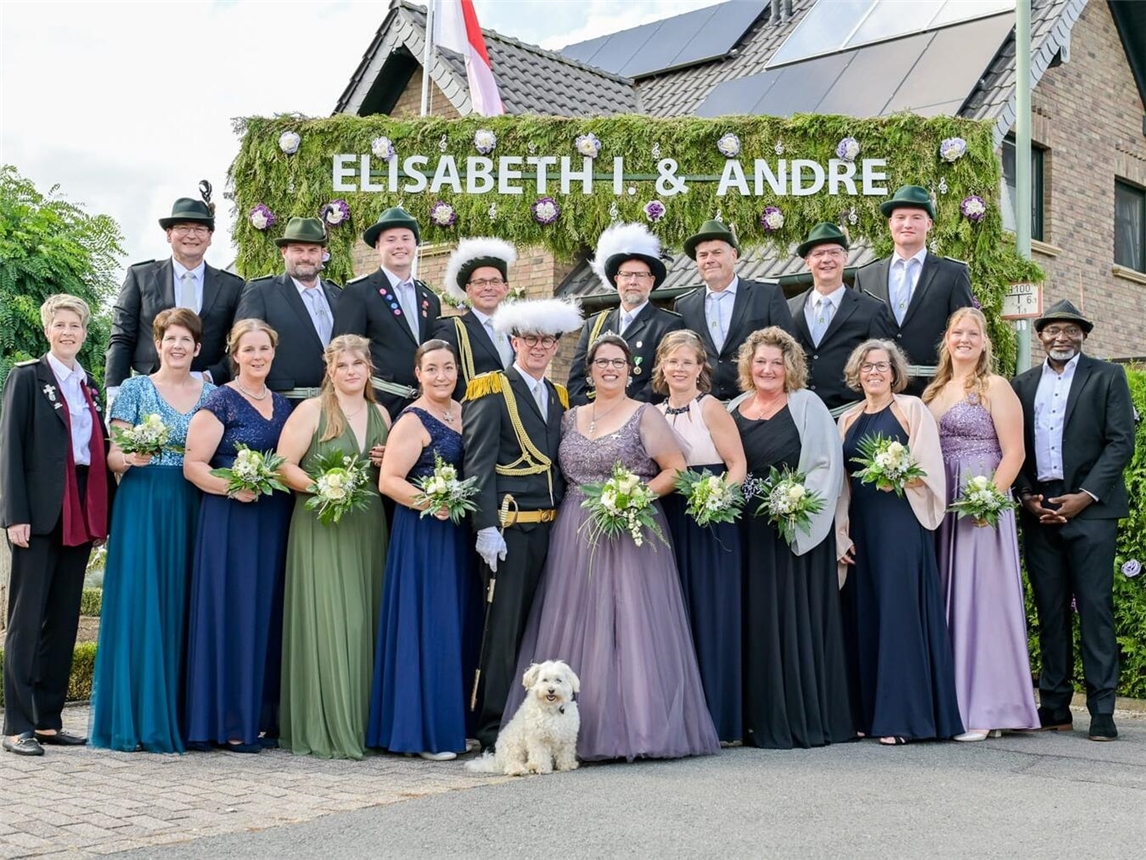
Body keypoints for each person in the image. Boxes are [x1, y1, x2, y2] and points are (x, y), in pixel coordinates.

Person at [508, 334, 720, 761]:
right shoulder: (570, 417)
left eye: (618, 362)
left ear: (630, 370)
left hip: (629, 528)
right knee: (577, 621)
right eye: (602, 362)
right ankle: (564, 735)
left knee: (631, 629)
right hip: (574, 530)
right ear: (589, 370)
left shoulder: (644, 415)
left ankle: (636, 730)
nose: (610, 368)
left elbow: (674, 470)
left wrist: (631, 498)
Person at [90, 308, 215, 753]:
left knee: (187, 601)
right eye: (169, 339)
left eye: (186, 339)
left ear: (198, 347)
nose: (177, 346)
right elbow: (113, 456)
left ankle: (187, 713)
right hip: (144, 501)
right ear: (157, 344)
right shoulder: (134, 389)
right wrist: (130, 457)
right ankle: (137, 716)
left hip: (194, 500)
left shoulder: (210, 390)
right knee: (143, 601)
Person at [462, 298, 583, 754]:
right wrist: (485, 526)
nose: (538, 347)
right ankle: (492, 726)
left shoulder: (560, 397)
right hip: (510, 529)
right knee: (503, 632)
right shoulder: (490, 388)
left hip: (551, 531)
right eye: (529, 338)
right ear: (514, 341)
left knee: (541, 632)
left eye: (546, 339)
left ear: (555, 346)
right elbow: (478, 463)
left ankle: (538, 725)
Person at [1011, 300, 1135, 741]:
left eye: (1071, 330)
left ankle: (1103, 710)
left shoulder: (1108, 377)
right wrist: (1026, 496)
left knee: (1096, 610)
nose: (1061, 337)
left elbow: (1121, 443)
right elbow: (1013, 446)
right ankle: (1055, 706)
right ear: (1041, 336)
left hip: (1092, 510)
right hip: (1040, 508)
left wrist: (1084, 497)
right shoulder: (1021, 384)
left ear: (1084, 334)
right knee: (1049, 611)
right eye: (1053, 330)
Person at [729, 327, 853, 749]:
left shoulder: (807, 405)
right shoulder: (733, 407)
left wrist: (793, 505)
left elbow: (825, 466)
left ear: (790, 368)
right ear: (748, 364)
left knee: (786, 621)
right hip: (744, 530)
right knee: (751, 620)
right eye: (760, 361)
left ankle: (795, 717)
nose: (767, 369)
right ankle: (749, 717)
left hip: (791, 527)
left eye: (776, 363)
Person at [836, 339, 963, 745]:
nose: (874, 373)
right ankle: (867, 714)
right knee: (865, 614)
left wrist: (894, 472)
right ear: (857, 375)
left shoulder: (911, 410)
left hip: (901, 525)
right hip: (862, 527)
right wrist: (841, 534)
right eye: (866, 367)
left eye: (881, 366)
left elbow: (929, 469)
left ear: (895, 373)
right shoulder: (848, 419)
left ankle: (903, 718)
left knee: (898, 615)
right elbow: (843, 485)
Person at [1, 295, 112, 756]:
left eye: (76, 326)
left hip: (80, 506)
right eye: (60, 324)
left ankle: (48, 719)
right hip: (40, 511)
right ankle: (17, 725)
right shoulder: (27, 377)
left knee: (64, 618)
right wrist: (14, 516)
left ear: (85, 332)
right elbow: (10, 448)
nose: (68, 332)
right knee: (26, 620)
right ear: (47, 329)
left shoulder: (88, 385)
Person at [922, 308, 1038, 741]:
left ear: (985, 342)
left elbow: (1015, 453)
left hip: (979, 500)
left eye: (973, 333)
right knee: (949, 597)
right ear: (946, 340)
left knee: (981, 599)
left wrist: (988, 498)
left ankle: (988, 708)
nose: (965, 339)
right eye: (957, 332)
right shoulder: (934, 389)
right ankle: (955, 703)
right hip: (942, 500)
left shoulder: (995, 387)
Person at [276, 335, 391, 759]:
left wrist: (385, 460)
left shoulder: (381, 412)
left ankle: (365, 721)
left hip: (368, 524)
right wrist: (322, 487)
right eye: (341, 366)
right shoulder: (311, 411)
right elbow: (283, 465)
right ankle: (326, 722)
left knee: (366, 618)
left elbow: (395, 469)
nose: (350, 372)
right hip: (321, 523)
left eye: (357, 364)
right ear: (329, 370)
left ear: (368, 368)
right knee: (332, 620)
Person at [182, 319, 293, 753]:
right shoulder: (220, 402)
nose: (258, 356)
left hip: (272, 521)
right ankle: (227, 719)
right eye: (249, 350)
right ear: (234, 353)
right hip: (229, 522)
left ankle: (260, 716)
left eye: (264, 349)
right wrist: (233, 486)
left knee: (265, 612)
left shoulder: (282, 405)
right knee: (232, 612)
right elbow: (195, 466)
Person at [367, 340, 479, 761]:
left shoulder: (465, 412)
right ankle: (423, 732)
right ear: (418, 374)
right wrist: (432, 503)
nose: (441, 376)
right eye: (431, 369)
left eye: (448, 368)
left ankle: (451, 723)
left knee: (456, 622)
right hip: (423, 533)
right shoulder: (412, 420)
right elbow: (390, 481)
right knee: (430, 624)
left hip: (457, 533)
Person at [652, 330, 747, 743]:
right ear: (661, 367)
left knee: (713, 610)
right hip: (670, 514)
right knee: (677, 613)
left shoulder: (710, 407)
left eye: (687, 361)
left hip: (711, 515)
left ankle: (720, 718)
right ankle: (679, 716)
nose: (679, 368)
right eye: (672, 361)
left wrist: (717, 497)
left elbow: (737, 463)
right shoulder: (652, 412)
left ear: (700, 368)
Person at [105, 188, 244, 398]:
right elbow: (122, 336)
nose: (191, 235)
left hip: (210, 392)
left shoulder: (232, 285)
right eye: (183, 228)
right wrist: (115, 391)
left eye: (199, 228)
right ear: (169, 234)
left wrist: (209, 376)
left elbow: (240, 342)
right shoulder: (140, 276)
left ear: (210, 236)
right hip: (148, 390)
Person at [853, 185, 975, 396]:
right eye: (900, 217)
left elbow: (964, 333)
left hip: (935, 390)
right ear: (890, 223)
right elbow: (857, 338)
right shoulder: (865, 276)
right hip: (879, 392)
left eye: (916, 218)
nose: (907, 224)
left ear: (929, 224)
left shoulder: (953, 273)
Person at [332, 207, 442, 417]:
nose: (399, 245)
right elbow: (344, 353)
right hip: (376, 404)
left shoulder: (430, 298)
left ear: (415, 245)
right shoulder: (359, 292)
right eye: (391, 240)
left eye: (405, 239)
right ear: (378, 246)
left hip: (424, 405)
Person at [674, 219, 794, 401]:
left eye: (717, 253)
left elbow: (788, 351)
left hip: (760, 402)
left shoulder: (766, 294)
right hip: (706, 406)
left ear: (733, 254)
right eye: (703, 255)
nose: (709, 260)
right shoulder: (684, 305)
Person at [567, 223, 684, 405]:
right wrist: (587, 413)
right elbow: (576, 380)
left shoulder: (668, 325)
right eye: (626, 275)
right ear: (616, 280)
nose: (633, 281)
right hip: (593, 421)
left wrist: (624, 414)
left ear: (651, 281)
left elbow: (661, 380)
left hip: (641, 420)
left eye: (640, 275)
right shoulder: (594, 324)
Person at [788, 223, 894, 412]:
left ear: (845, 257)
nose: (826, 259)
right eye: (818, 254)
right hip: (798, 414)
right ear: (807, 261)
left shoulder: (872, 310)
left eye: (834, 253)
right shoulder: (789, 308)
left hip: (851, 414)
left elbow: (882, 366)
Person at [235, 217, 341, 403]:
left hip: (335, 403)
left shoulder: (338, 295)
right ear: (284, 252)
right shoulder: (261, 291)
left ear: (323, 253)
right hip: (281, 404)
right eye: (298, 250)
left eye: (312, 251)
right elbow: (243, 350)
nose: (306, 257)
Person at [434, 237, 518, 399]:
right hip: (470, 418)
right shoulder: (452, 329)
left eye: (495, 281)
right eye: (480, 282)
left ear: (505, 287)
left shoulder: (517, 330)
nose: (488, 287)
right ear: (468, 289)